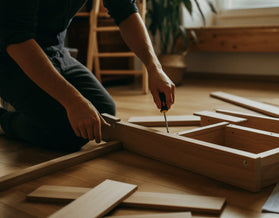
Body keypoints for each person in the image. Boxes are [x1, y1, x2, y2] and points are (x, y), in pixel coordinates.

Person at [0, 0, 175, 151]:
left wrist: (154, 68)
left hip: (55, 50)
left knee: (102, 114)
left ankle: (30, 105)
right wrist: (73, 101)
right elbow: (17, 38)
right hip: (10, 57)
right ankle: (3, 120)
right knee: (66, 133)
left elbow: (126, 11)